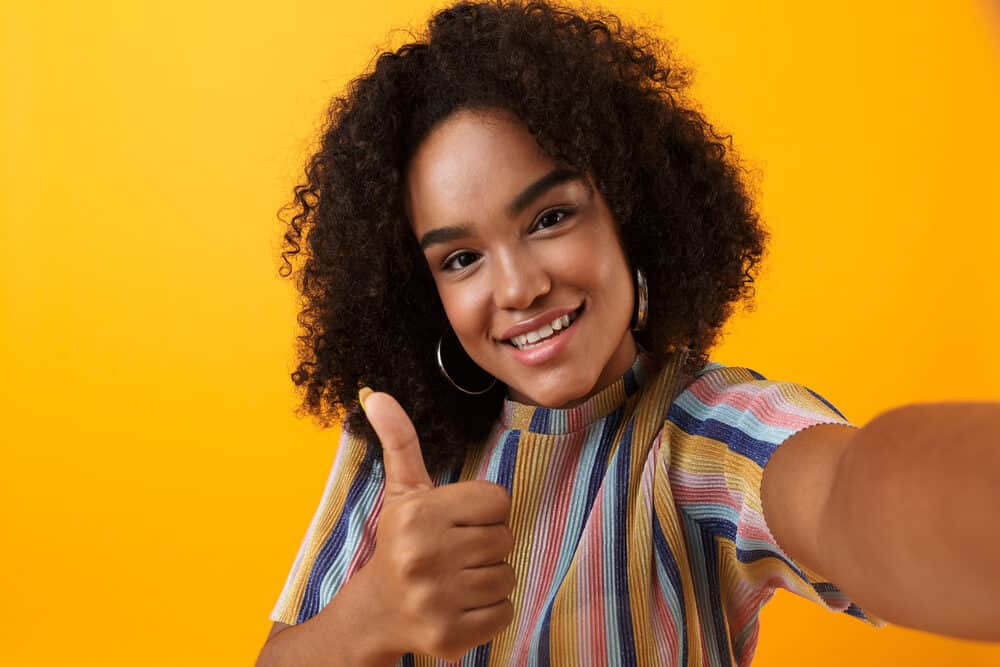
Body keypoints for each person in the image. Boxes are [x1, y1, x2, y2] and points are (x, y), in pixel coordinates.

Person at [255, 1, 1000, 664]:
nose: (518, 287)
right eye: (462, 258)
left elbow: (846, 495)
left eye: (550, 217)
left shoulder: (701, 437)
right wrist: (369, 615)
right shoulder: (400, 445)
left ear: (627, 213)